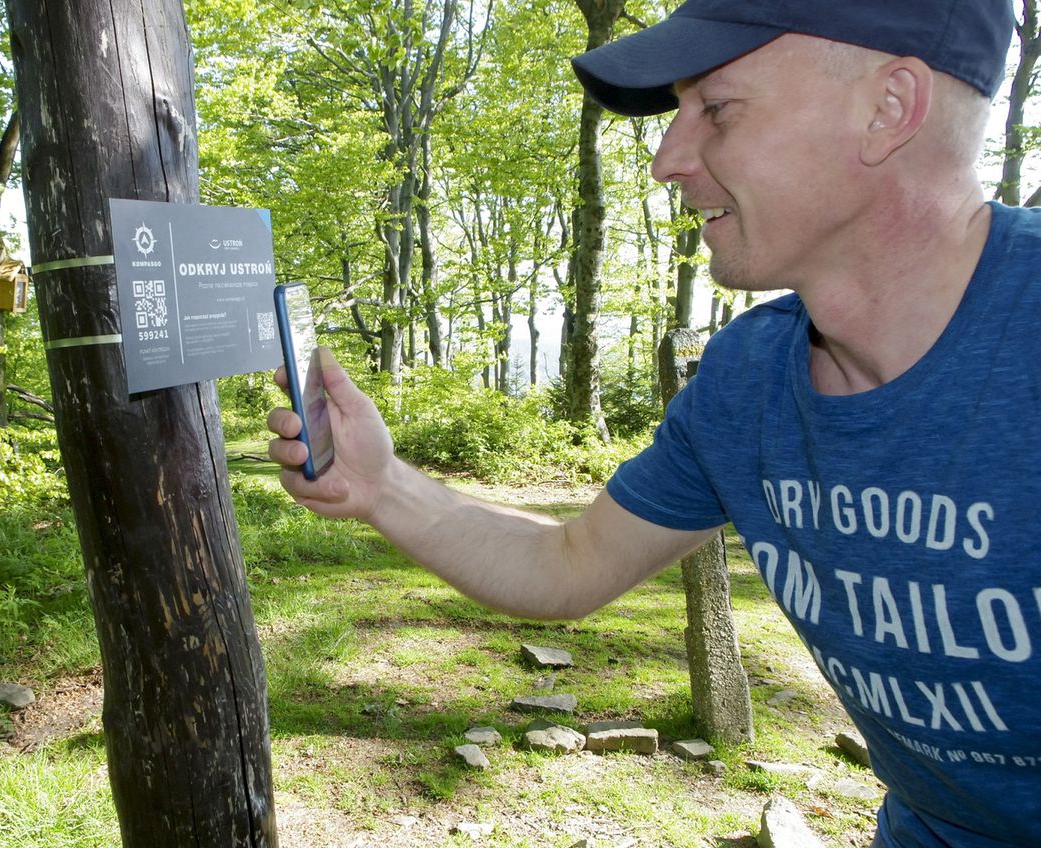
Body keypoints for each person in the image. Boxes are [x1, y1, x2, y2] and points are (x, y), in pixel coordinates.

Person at [267, 1, 1041, 845]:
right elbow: (567, 564)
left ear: (889, 108)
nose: (667, 161)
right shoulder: (748, 380)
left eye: (717, 109)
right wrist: (381, 487)